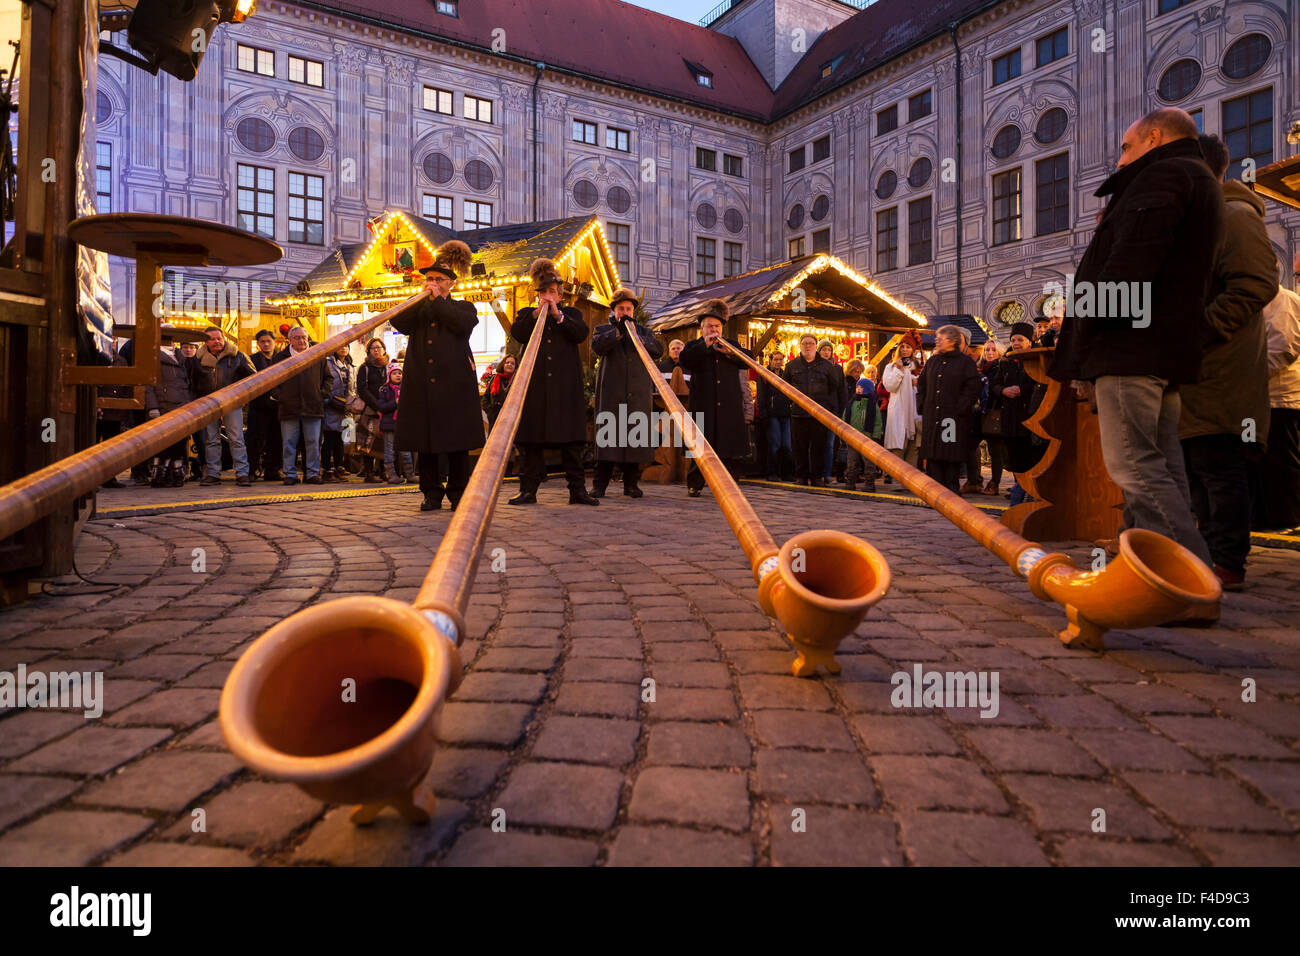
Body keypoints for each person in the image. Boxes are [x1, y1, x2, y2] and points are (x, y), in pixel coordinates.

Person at [1049, 106, 1219, 572]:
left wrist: (1085, 336)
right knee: (1161, 467)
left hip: (1131, 349)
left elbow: (1128, 268)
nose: (1121, 159)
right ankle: (1141, 570)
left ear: (1155, 138)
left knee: (1137, 468)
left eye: (1127, 147)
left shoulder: (1163, 178)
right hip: (1158, 350)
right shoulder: (1194, 177)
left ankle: (1187, 580)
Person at [1178, 134, 1278, 590]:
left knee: (1220, 469)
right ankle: (1205, 557)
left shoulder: (1234, 215)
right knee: (1199, 472)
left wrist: (1196, 332)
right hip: (1195, 373)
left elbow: (1255, 285)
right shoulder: (1200, 219)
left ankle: (1227, 564)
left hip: (1220, 372)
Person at [390, 240, 482, 511]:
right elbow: (399, 322)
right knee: (425, 442)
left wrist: (438, 300)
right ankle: (431, 493)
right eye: (428, 279)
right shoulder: (417, 308)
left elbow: (459, 324)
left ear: (450, 283)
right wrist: (421, 300)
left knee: (457, 443)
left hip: (455, 386)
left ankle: (458, 494)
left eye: (437, 279)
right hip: (421, 386)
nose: (431, 283)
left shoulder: (464, 307)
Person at [509, 257, 598, 506]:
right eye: (544, 292)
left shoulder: (571, 314)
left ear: (559, 295)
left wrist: (558, 315)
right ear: (538, 295)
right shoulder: (528, 314)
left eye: (552, 292)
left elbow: (580, 333)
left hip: (564, 389)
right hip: (536, 388)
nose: (548, 296)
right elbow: (518, 334)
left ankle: (577, 491)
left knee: (571, 443)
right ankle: (528, 491)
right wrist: (537, 314)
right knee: (532, 443)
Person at [591, 288, 663, 498]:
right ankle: (599, 485)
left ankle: (631, 484)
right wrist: (618, 332)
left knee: (635, 440)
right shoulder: (603, 329)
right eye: (620, 308)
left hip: (637, 394)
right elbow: (598, 347)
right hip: (611, 394)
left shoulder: (644, 332)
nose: (624, 312)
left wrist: (638, 336)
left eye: (628, 309)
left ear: (633, 311)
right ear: (614, 311)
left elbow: (659, 350)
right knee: (608, 439)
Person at [678, 299, 752, 497]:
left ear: (722, 328)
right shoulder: (694, 346)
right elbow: (686, 360)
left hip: (729, 406)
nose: (714, 329)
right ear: (702, 328)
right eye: (709, 326)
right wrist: (704, 346)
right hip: (703, 406)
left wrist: (729, 353)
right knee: (700, 448)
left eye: (717, 326)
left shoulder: (732, 345)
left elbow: (748, 360)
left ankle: (729, 484)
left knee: (729, 448)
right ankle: (695, 484)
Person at [916, 324, 982, 494]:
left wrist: (960, 407)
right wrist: (922, 405)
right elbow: (922, 384)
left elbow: (972, 387)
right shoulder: (933, 361)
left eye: (941, 337)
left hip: (951, 418)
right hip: (932, 416)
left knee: (949, 453)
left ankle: (950, 491)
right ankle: (934, 492)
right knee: (932, 453)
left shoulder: (965, 362)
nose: (936, 340)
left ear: (952, 341)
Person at [1256, 285, 1300, 530]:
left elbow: (1284, 349)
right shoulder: (1254, 300)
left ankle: (1286, 517)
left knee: (1278, 458)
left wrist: (1246, 375)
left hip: (1279, 399)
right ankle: (1261, 517)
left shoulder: (1284, 300)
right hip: (1251, 401)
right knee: (1253, 455)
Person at [985, 324, 1045, 501]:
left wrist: (1022, 389)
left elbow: (1041, 384)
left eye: (1020, 339)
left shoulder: (1038, 358)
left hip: (1030, 415)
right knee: (1015, 457)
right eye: (1013, 340)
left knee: (1031, 457)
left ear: (1029, 341)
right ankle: (1019, 488)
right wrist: (1003, 390)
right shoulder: (1006, 360)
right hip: (1010, 417)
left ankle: (1026, 493)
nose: (1016, 343)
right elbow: (995, 385)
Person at [194, 326, 255, 486]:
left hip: (232, 403)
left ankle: (242, 473)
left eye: (219, 338)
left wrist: (240, 398)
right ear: (206, 342)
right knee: (211, 440)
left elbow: (253, 378)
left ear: (224, 339)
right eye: (212, 339)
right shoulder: (198, 359)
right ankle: (213, 473)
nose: (216, 342)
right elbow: (193, 382)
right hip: (207, 404)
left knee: (237, 439)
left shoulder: (238, 356)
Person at [271, 325, 331, 485]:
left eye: (304, 337)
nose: (301, 340)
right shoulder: (281, 358)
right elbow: (271, 380)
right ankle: (290, 474)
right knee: (289, 442)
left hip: (313, 406)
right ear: (289, 340)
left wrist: (321, 394)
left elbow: (328, 378)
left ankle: (312, 473)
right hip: (289, 407)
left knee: (313, 442)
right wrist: (281, 397)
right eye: (297, 337)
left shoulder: (318, 355)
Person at [782, 333, 839, 487]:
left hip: (819, 414)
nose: (808, 346)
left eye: (811, 343)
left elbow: (834, 387)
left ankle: (817, 477)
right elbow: (784, 387)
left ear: (816, 346)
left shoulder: (827, 366)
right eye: (805, 343)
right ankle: (801, 476)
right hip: (798, 414)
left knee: (819, 446)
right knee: (799, 446)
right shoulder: (791, 366)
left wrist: (831, 408)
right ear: (800, 346)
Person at [143, 338, 198, 487]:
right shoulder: (154, 356)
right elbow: (148, 384)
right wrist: (152, 407)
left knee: (179, 441)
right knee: (162, 442)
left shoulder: (180, 356)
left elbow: (186, 383)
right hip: (164, 404)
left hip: (181, 405)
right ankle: (161, 473)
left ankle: (175, 471)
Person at [881, 337, 922, 469]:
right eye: (902, 346)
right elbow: (889, 387)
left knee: (914, 449)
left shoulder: (919, 367)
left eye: (908, 347)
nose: (904, 349)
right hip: (899, 412)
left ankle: (911, 481)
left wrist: (918, 383)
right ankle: (897, 480)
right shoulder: (890, 367)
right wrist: (899, 370)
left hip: (915, 413)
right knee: (898, 447)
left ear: (913, 350)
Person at [246, 329, 282, 481]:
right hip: (258, 406)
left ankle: (272, 470)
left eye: (269, 341)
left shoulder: (281, 359)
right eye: (262, 341)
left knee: (276, 440)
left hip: (277, 406)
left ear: (274, 342)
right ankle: (251, 470)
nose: (266, 344)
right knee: (255, 441)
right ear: (258, 344)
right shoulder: (251, 359)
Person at [356, 338, 389, 483]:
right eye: (373, 348)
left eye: (379, 347)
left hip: (387, 409)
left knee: (383, 441)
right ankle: (369, 473)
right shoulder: (365, 367)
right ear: (369, 351)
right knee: (368, 441)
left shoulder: (388, 367)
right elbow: (362, 390)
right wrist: (377, 406)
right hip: (370, 410)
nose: (376, 350)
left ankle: (383, 471)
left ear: (384, 349)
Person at [757, 351, 792, 481]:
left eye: (780, 359)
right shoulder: (764, 375)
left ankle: (786, 473)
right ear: (770, 360)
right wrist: (764, 413)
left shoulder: (785, 375)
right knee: (775, 444)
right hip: (772, 414)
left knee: (787, 445)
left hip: (785, 413)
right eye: (775, 359)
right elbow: (761, 395)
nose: (778, 362)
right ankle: (772, 472)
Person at [845, 369, 883, 492]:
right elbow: (845, 417)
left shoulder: (872, 405)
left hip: (867, 437)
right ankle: (850, 482)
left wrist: (876, 435)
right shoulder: (852, 403)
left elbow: (877, 421)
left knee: (869, 463)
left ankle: (869, 483)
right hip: (852, 437)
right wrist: (843, 431)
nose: (858, 389)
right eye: (857, 387)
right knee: (852, 461)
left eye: (861, 387)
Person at [323, 344, 355, 483]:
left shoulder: (350, 366)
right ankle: (326, 469)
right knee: (329, 439)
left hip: (346, 408)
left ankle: (339, 467)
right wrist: (328, 400)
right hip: (331, 405)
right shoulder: (328, 363)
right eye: (340, 346)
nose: (343, 349)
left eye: (346, 346)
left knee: (342, 440)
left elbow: (353, 388)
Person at [817, 340, 844, 482]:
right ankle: (815, 472)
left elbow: (841, 391)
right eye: (824, 350)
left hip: (833, 410)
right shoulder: (815, 367)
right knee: (816, 443)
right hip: (817, 409)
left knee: (829, 444)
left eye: (828, 350)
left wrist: (841, 411)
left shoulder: (837, 369)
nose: (826, 352)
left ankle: (826, 473)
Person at [484, 353, 517, 429]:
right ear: (503, 364)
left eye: (512, 363)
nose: (510, 364)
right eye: (507, 362)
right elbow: (485, 397)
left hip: (511, 419)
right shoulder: (495, 378)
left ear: (515, 367)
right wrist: (490, 412)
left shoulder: (517, 380)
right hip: (495, 418)